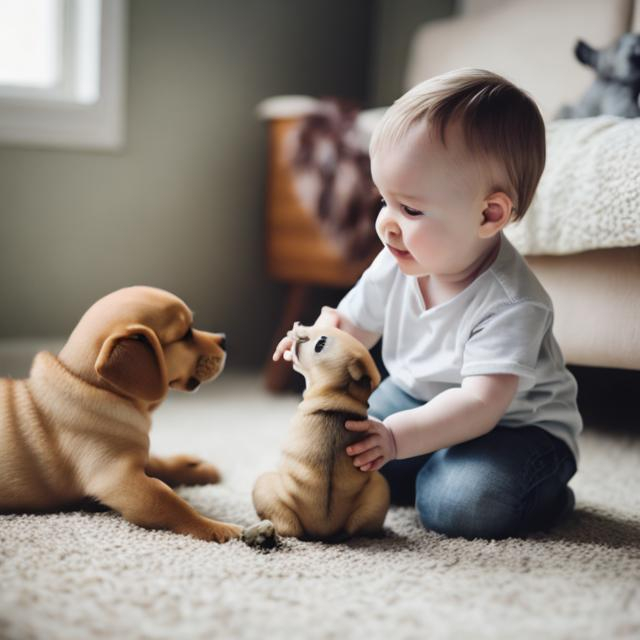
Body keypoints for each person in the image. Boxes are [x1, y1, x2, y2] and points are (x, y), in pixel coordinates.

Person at [273, 68, 581, 540]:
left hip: (516, 430)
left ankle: (545, 493)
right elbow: (351, 327)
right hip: (416, 396)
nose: (386, 225)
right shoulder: (397, 258)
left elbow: (480, 405)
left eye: (410, 210)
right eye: (384, 201)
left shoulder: (512, 303)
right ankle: (426, 460)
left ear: (488, 214)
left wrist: (396, 439)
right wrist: (314, 341)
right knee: (338, 447)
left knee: (458, 504)